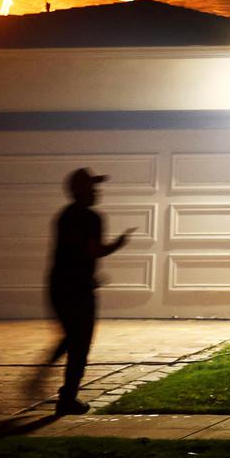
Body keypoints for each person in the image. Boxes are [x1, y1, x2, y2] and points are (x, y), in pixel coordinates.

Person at [40, 167, 133, 415]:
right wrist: (118, 244)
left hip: (58, 284)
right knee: (80, 343)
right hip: (78, 289)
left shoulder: (64, 216)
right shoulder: (91, 218)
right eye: (92, 187)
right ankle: (67, 398)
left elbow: (73, 252)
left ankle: (47, 371)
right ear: (79, 190)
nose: (96, 191)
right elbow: (93, 250)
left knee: (72, 335)